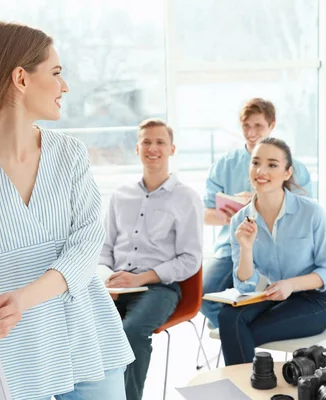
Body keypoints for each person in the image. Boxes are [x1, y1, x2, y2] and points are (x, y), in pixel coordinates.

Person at [0, 22, 134, 400]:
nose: (65, 86)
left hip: (87, 342)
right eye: (56, 73)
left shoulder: (69, 153)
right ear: (20, 78)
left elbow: (86, 245)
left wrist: (24, 299)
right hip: (12, 356)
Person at [99, 118, 203, 400]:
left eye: (160, 142)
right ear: (137, 148)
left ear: (172, 149)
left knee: (131, 331)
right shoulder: (120, 195)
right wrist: (106, 280)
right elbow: (105, 247)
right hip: (116, 286)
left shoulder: (186, 198)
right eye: (146, 142)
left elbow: (190, 259)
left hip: (159, 288)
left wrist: (141, 278)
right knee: (88, 326)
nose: (152, 148)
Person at [216, 137, 326, 366]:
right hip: (273, 295)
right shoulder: (239, 221)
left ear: (287, 172)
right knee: (227, 317)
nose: (261, 171)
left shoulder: (311, 212)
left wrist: (291, 284)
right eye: (255, 163)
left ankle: (244, 391)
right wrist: (246, 247)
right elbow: (244, 286)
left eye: (272, 164)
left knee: (241, 332)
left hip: (313, 301)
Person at [200, 98, 313, 329]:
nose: (251, 133)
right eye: (246, 126)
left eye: (258, 126)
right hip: (234, 248)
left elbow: (306, 216)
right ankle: (240, 336)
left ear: (272, 125)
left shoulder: (295, 168)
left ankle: (249, 334)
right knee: (205, 296)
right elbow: (205, 214)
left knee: (292, 300)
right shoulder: (224, 165)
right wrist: (231, 216)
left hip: (282, 248)